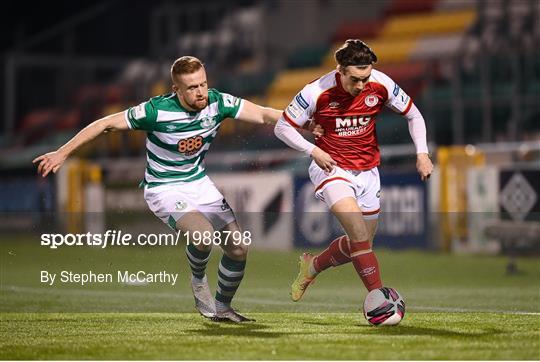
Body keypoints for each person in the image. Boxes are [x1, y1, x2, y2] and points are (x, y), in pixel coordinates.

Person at [33, 56, 283, 322]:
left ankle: (222, 307)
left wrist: (305, 122)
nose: (200, 92)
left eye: (203, 84)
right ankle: (198, 280)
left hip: (198, 182)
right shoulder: (155, 111)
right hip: (164, 188)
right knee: (202, 235)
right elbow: (104, 124)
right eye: (192, 87)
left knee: (238, 247)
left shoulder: (218, 102)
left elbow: (265, 113)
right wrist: (63, 152)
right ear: (176, 89)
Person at [274, 39, 433, 301]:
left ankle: (311, 267)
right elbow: (282, 127)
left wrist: (422, 154)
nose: (361, 86)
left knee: (360, 245)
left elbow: (414, 115)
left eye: (365, 78)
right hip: (331, 168)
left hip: (369, 172)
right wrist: (313, 151)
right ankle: (380, 300)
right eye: (355, 80)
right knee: (358, 235)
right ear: (340, 71)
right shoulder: (315, 92)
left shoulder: (381, 83)